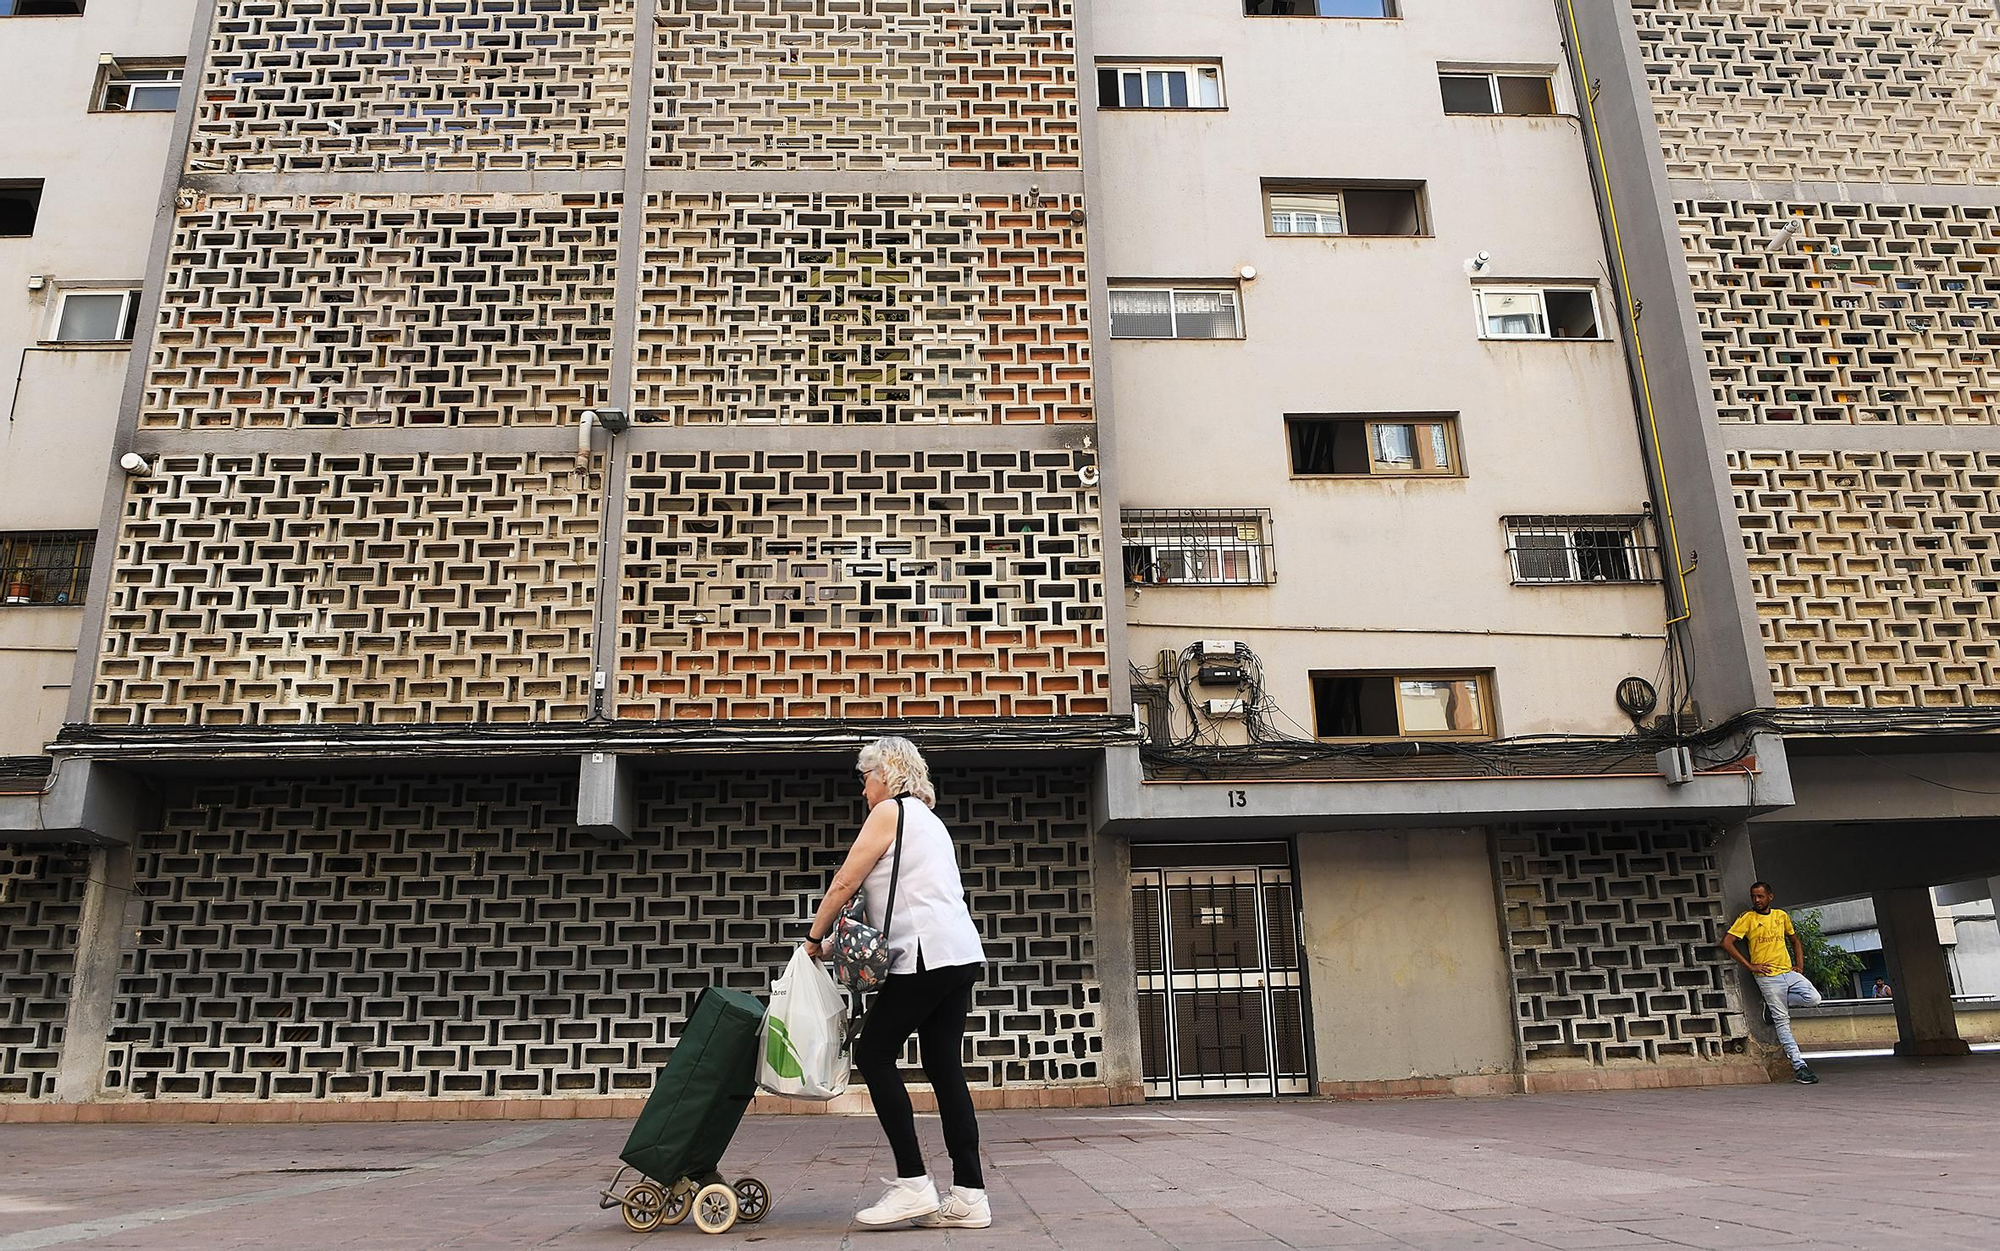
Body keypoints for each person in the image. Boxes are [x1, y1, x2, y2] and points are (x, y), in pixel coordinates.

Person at [803, 737, 990, 1229]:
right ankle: (970, 1195)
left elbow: (845, 881)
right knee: (943, 1065)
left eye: (865, 779)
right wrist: (831, 947)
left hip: (927, 956)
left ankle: (913, 1184)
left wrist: (812, 936)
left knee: (873, 1054)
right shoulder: (931, 822)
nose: (863, 790)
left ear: (886, 774)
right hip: (960, 953)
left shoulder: (890, 812)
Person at [1721, 881, 1823, 1085]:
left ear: (1770, 897)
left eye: (1760, 896)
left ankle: (1773, 1006)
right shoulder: (1747, 918)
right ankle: (1799, 1066)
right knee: (1782, 1021)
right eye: (1753, 896)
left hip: (1788, 971)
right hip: (1767, 977)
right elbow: (1727, 942)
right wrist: (1750, 965)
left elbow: (1795, 940)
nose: (1756, 900)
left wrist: (1799, 965)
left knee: (1814, 998)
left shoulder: (1781, 916)